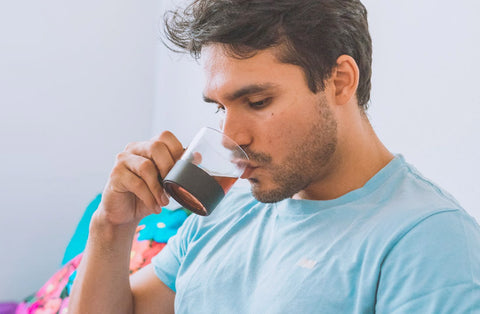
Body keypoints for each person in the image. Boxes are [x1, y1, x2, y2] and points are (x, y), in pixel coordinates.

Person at [69, 0, 480, 313]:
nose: (231, 137)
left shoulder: (428, 240)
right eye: (219, 107)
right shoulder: (228, 207)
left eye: (257, 100)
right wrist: (110, 227)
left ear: (340, 81)